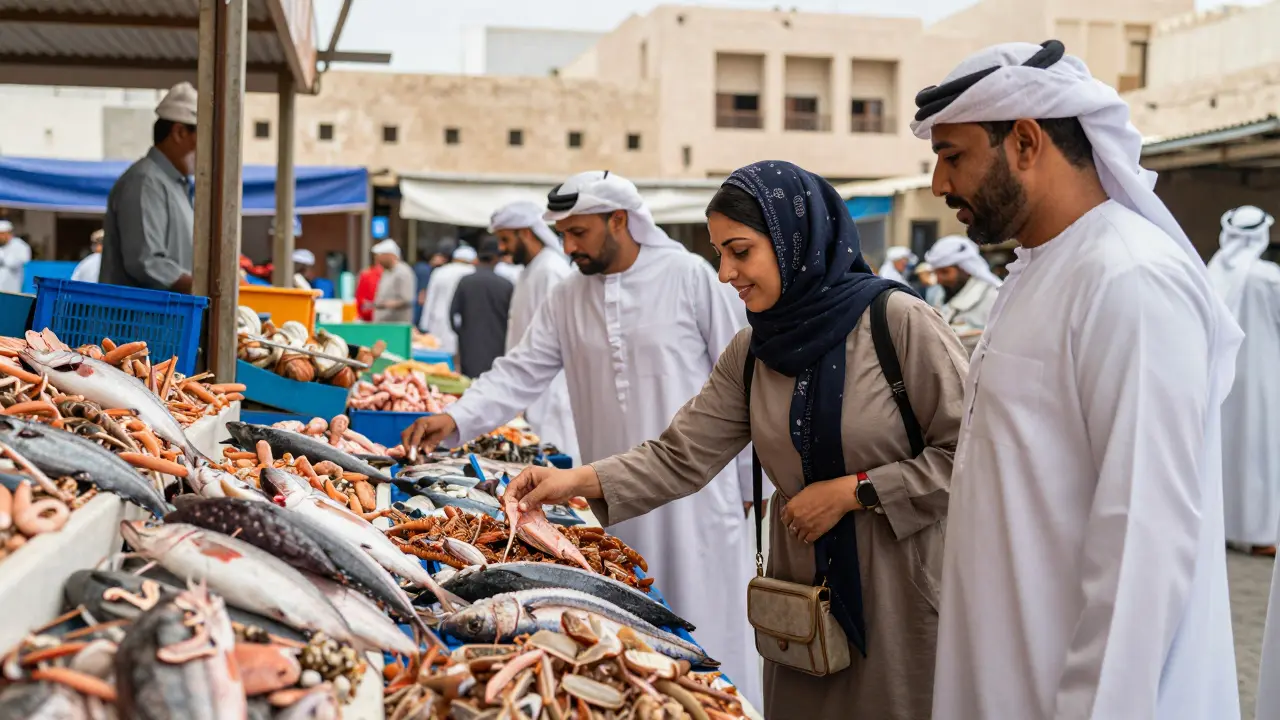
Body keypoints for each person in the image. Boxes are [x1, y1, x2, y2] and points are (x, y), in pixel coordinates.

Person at [505, 162, 966, 719]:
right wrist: (575, 481)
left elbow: (969, 458)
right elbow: (680, 455)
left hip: (897, 582)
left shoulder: (898, 323)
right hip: (798, 594)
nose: (725, 273)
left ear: (795, 241)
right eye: (719, 253)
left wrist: (856, 491)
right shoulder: (753, 351)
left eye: (740, 251)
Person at [913, 40, 1243, 719]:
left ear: (1026, 142)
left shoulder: (1128, 278)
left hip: (1080, 690)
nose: (940, 185)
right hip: (1006, 666)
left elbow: (1142, 540)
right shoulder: (1039, 268)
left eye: (953, 156)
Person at [402, 170, 760, 707]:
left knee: (714, 623)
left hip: (702, 499)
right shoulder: (568, 296)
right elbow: (519, 371)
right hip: (611, 497)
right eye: (562, 234)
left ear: (620, 220)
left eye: (579, 233)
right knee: (626, 635)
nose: (568, 247)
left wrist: (751, 483)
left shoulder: (689, 275)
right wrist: (456, 417)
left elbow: (744, 383)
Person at [1208, 206, 1280, 556]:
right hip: (1263, 379)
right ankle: (1260, 534)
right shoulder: (1268, 276)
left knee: (1225, 451)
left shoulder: (1214, 270)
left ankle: (1221, 527)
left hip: (1222, 379)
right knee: (1261, 455)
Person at [490, 200, 579, 462]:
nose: (502, 248)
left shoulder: (551, 270)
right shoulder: (531, 270)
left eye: (505, 239)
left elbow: (554, 342)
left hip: (549, 391)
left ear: (526, 233)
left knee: (555, 463)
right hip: (527, 387)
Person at [101, 82, 197, 292]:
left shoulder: (179, 187)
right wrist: (208, 288)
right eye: (202, 139)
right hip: (138, 322)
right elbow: (146, 262)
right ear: (179, 132)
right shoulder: (144, 182)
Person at [450, 237, 514, 378]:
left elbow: (452, 313)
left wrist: (461, 333)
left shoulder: (465, 282)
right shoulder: (506, 285)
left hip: (469, 345)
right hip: (498, 345)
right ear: (497, 258)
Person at [923, 235, 1000, 348]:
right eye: (935, 273)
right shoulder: (942, 293)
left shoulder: (994, 298)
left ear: (967, 269)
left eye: (945, 272)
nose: (938, 279)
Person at [419, 245, 477, 356]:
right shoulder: (473, 273)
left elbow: (430, 298)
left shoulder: (440, 271)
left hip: (438, 321)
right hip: (463, 324)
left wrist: (424, 325)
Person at [370, 240, 415, 324]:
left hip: (396, 325)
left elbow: (407, 300)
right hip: (383, 324)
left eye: (380, 256)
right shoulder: (386, 272)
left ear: (390, 255)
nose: (378, 260)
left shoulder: (403, 272)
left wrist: (384, 305)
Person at [0, 220, 31, 294]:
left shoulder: (20, 246)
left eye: (2, 234)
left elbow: (14, 264)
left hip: (12, 290)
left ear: (9, 233)